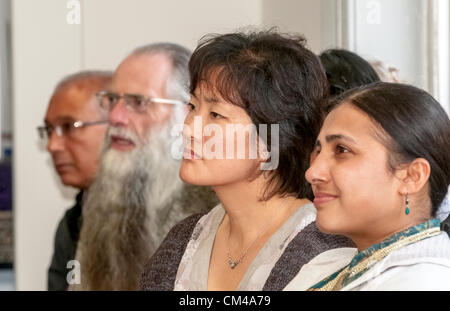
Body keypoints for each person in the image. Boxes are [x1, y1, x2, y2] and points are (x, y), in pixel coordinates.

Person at [140, 30, 353, 291]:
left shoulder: (322, 254)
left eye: (216, 115)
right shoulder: (183, 241)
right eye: (193, 107)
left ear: (269, 140)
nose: (189, 129)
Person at [73, 43, 218, 290]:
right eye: (112, 100)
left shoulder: (215, 204)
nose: (116, 117)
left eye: (138, 103)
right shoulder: (105, 190)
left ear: (186, 113)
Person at [286, 82, 450, 291]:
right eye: (318, 151)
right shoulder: (325, 265)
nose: (312, 173)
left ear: (411, 176)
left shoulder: (427, 282)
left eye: (342, 150)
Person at [39, 71, 112, 290]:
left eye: (69, 126)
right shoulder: (72, 224)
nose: (52, 145)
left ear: (118, 126)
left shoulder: (169, 218)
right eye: (50, 130)